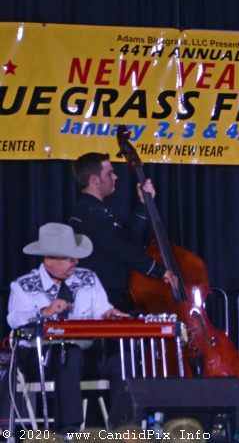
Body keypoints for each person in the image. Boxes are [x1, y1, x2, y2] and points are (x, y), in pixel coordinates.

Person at [7, 223, 128, 433]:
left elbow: (102, 309)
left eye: (75, 257)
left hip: (85, 355)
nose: (76, 262)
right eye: (70, 258)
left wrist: (109, 314)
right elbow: (15, 319)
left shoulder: (88, 278)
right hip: (41, 359)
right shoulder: (23, 286)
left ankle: (126, 427)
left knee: (122, 359)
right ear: (49, 260)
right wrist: (45, 312)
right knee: (69, 354)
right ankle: (68, 431)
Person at [68, 152, 176, 312]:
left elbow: (128, 241)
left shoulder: (94, 210)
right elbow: (121, 248)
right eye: (109, 173)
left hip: (109, 299)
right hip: (102, 304)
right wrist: (160, 271)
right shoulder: (90, 213)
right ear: (94, 179)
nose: (115, 177)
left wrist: (143, 204)